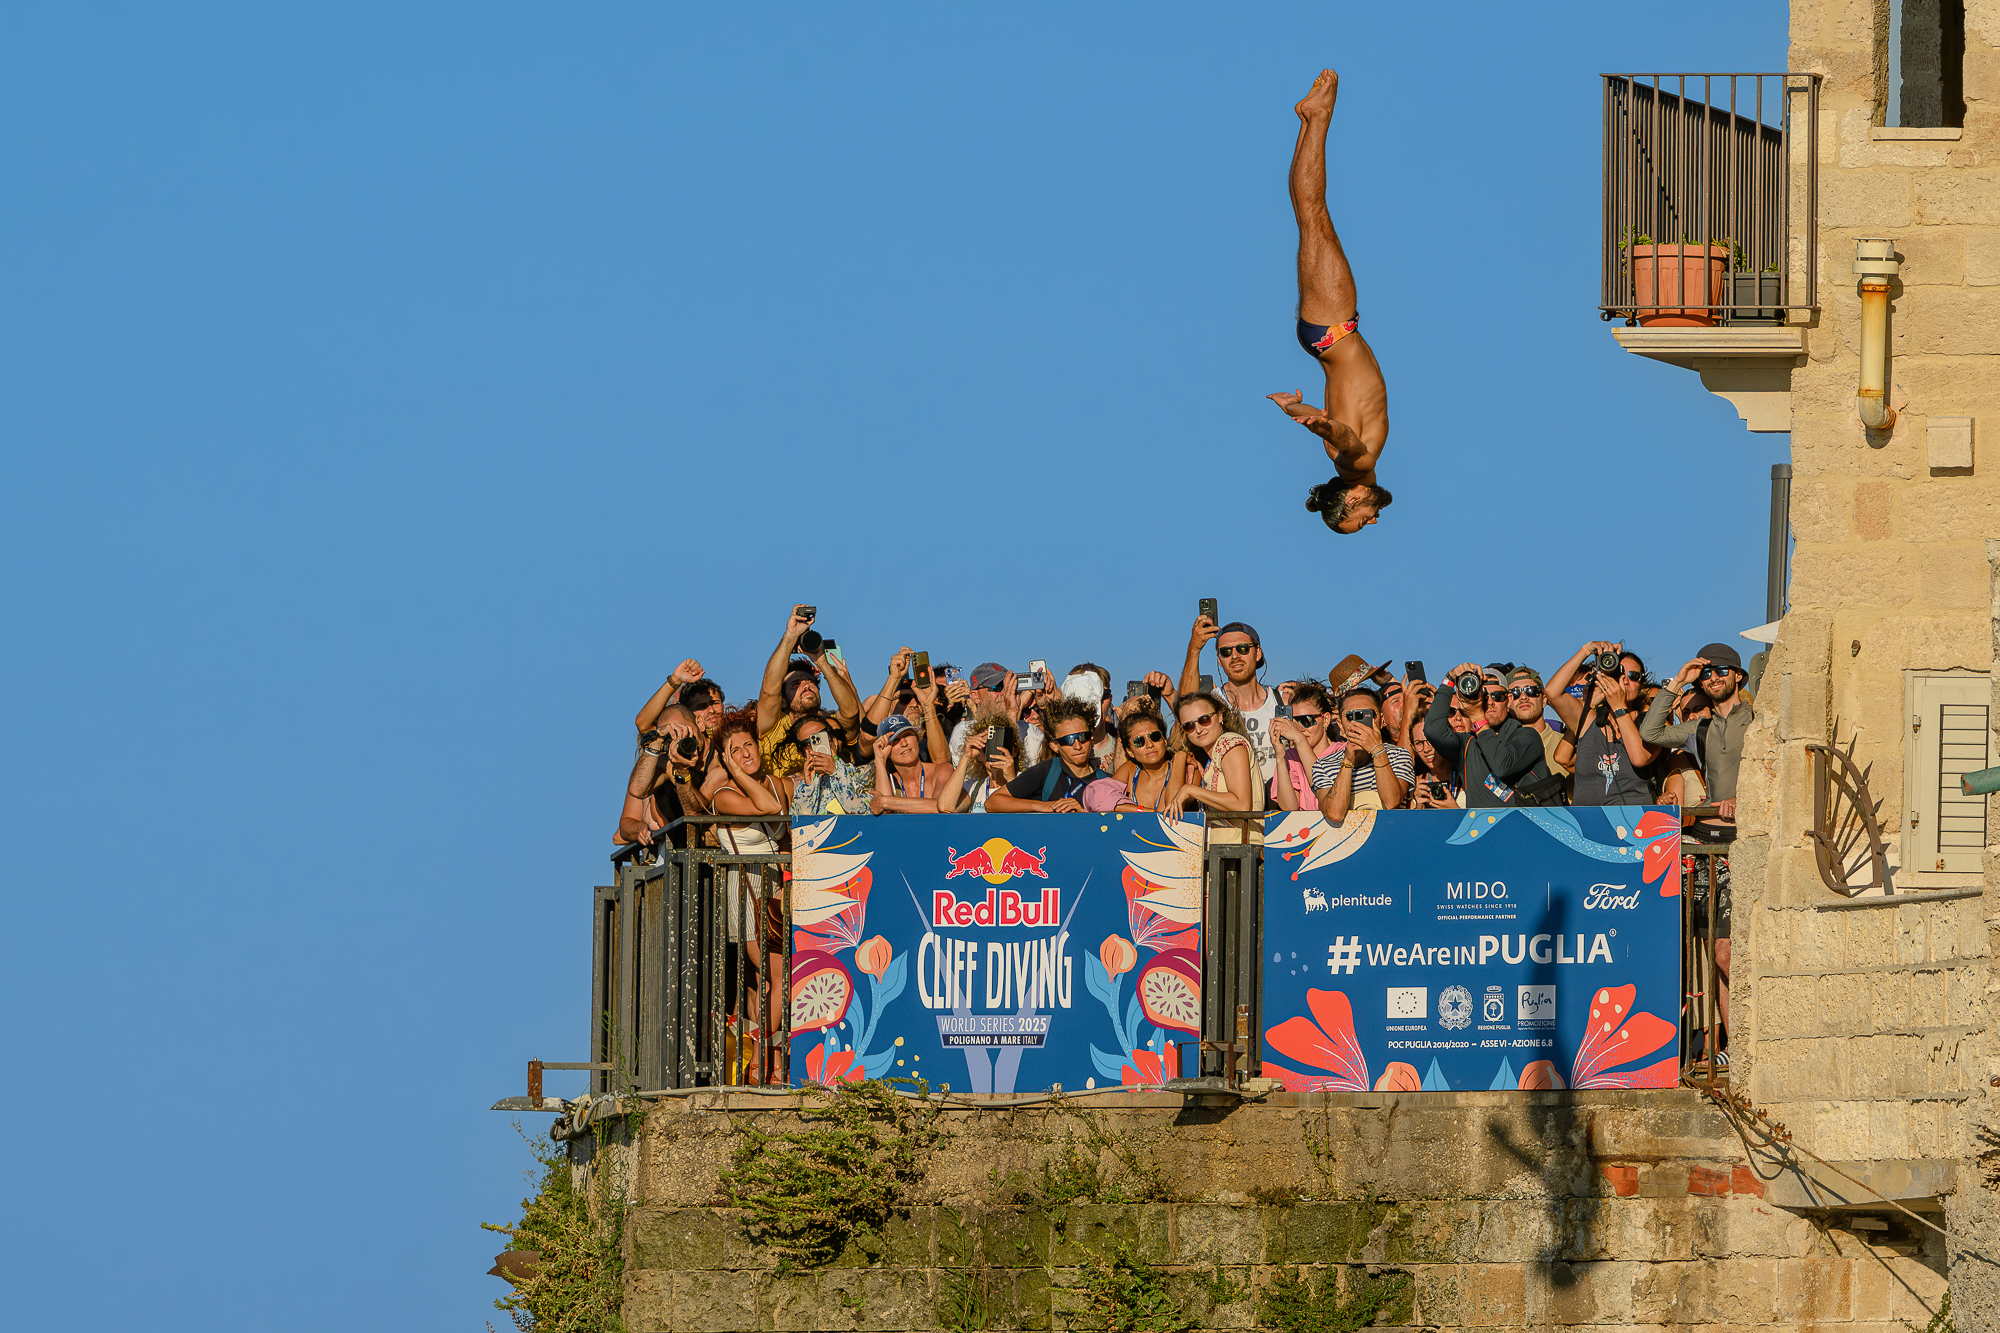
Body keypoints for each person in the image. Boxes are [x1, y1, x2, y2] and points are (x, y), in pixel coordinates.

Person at [1264, 69, 1393, 536]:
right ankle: (1307, 120)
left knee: (1314, 214)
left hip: (1334, 328)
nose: (1374, 517)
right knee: (1310, 218)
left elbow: (1345, 437)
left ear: (1349, 502)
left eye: (1362, 519)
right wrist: (1306, 417)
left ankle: (1317, 119)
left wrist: (1315, 421)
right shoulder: (1350, 466)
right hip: (1327, 334)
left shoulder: (1355, 468)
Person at [706, 706, 788, 1082]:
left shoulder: (776, 781)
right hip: (746, 889)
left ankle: (769, 1061)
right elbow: (771, 810)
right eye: (735, 749)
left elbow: (783, 825)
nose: (746, 753)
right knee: (776, 974)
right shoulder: (723, 795)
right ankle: (761, 1062)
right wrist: (736, 773)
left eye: (749, 745)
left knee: (782, 976)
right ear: (725, 757)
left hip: (776, 888)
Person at [753, 606, 860, 779]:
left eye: (810, 682)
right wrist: (790, 635)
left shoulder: (831, 725)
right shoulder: (772, 725)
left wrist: (822, 663)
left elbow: (851, 711)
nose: (806, 685)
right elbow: (769, 692)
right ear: (783, 701)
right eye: (796, 684)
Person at [1422, 662, 1550, 808]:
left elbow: (1502, 766)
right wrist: (1449, 680)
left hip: (1521, 828)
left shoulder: (1527, 736)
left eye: (1498, 696)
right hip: (1480, 830)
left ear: (1508, 701)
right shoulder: (1467, 745)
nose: (1490, 702)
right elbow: (1433, 730)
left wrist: (1478, 717)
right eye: (1484, 696)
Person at [1547, 641, 1658, 807]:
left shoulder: (1651, 721)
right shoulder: (1588, 719)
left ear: (1641, 683)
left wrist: (1619, 707)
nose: (1625, 681)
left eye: (1633, 676)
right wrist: (1586, 649)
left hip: (1634, 822)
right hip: (1588, 822)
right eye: (1619, 673)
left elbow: (1640, 758)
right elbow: (1552, 692)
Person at [1178, 615, 1280, 794]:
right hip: (1230, 807)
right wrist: (1194, 649)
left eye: (1242, 648)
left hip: (1281, 809)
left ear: (1257, 653)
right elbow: (1186, 706)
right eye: (1226, 652)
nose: (1234, 656)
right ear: (1219, 660)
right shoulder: (1213, 705)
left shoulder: (1280, 701)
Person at [988, 697, 1109, 813]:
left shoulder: (1107, 781)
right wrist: (1040, 806)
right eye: (1069, 740)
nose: (1077, 746)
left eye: (1083, 737)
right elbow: (992, 803)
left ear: (1091, 738)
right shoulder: (1046, 771)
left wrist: (1083, 813)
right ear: (1054, 746)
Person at [617, 703, 710, 849]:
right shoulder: (666, 764)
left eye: (685, 730)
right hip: (676, 850)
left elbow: (695, 812)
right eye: (673, 735)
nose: (682, 739)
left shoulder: (720, 756)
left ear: (699, 723)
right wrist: (657, 741)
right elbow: (636, 790)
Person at [1173, 694, 1265, 842]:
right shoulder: (1212, 756)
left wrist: (1190, 790)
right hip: (1224, 850)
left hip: (1242, 851)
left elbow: (1242, 805)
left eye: (1204, 720)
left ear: (1220, 717)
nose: (1198, 729)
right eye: (1189, 726)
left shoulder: (1228, 744)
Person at [1313, 685, 1413, 819]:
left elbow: (1391, 803)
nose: (1359, 722)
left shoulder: (1399, 756)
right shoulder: (1323, 766)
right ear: (1341, 726)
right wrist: (1348, 761)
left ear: (1382, 720)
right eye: (1351, 716)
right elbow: (1334, 813)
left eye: (1367, 714)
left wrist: (1377, 751)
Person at [784, 713, 875, 817]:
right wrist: (809, 786)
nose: (816, 745)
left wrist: (836, 771)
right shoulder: (803, 788)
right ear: (802, 753)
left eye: (822, 736)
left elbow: (862, 813)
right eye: (807, 742)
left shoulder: (863, 773)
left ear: (835, 741)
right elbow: (798, 827)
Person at [1504, 668, 1573, 801]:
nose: (1523, 697)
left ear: (1544, 700)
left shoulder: (1568, 744)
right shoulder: (1500, 751)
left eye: (1532, 691)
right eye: (1515, 693)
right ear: (1507, 703)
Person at [1269, 682, 1339, 811]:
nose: (1300, 728)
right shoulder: (1290, 757)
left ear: (1326, 719)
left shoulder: (1342, 751)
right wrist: (1280, 757)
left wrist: (1300, 740)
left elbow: (1324, 792)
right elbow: (1288, 807)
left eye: (1306, 720)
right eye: (1294, 722)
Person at [1111, 702, 1189, 814]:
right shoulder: (1129, 771)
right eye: (1139, 741)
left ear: (1164, 740)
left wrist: (1180, 756)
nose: (1149, 744)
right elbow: (1102, 800)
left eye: (1155, 736)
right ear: (1129, 751)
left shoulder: (1186, 770)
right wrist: (1145, 811)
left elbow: (1170, 809)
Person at [936, 716, 1023, 814]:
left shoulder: (1024, 780)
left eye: (1001, 747)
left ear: (1015, 750)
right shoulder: (974, 787)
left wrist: (1011, 779)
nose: (994, 753)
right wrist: (966, 757)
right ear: (979, 755)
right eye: (986, 747)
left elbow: (1027, 816)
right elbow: (945, 807)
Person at [870, 714, 953, 815]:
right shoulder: (889, 781)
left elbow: (940, 806)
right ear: (885, 749)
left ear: (917, 739)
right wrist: (880, 760)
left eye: (907, 735)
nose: (904, 743)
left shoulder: (942, 770)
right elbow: (883, 813)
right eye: (895, 740)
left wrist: (886, 802)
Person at [1406, 727, 1462, 809]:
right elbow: (1413, 821)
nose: (1426, 749)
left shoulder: (1468, 778)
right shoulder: (1415, 784)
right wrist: (1418, 808)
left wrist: (1455, 810)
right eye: (1419, 743)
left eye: (1431, 740)